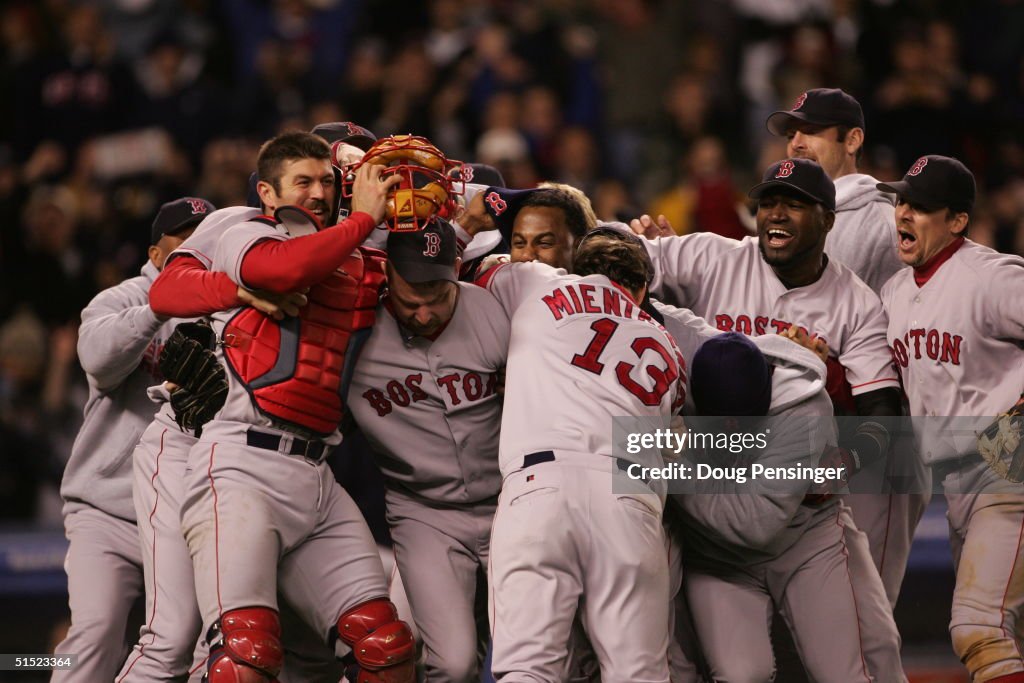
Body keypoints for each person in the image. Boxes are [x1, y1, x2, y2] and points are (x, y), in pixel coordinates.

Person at [176, 131, 416, 683]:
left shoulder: (360, 254)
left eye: (327, 181)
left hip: (317, 472)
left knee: (387, 650)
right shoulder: (246, 228)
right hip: (235, 458)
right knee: (235, 655)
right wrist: (360, 220)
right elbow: (268, 271)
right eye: (306, 179)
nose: (319, 191)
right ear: (268, 190)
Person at [484, 232, 686, 681]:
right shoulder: (666, 344)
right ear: (641, 290)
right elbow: (675, 444)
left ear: (578, 269)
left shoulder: (541, 284)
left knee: (527, 670)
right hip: (630, 497)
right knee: (639, 675)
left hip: (541, 485)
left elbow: (475, 266)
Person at [671, 332, 905, 682]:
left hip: (806, 542)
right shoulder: (676, 381)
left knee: (852, 668)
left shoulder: (802, 408)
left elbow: (753, 523)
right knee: (741, 675)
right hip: (718, 558)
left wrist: (673, 470)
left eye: (744, 419)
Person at [768, 90, 926, 604]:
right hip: (817, 434)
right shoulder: (794, 220)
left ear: (853, 139)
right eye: (792, 131)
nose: (796, 141)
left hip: (879, 431)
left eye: (810, 130)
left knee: (865, 616)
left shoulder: (883, 218)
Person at [53, 197, 214, 683]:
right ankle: (22, 662)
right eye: (182, 241)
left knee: (203, 640)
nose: (195, 250)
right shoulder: (120, 299)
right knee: (95, 636)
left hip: (189, 512)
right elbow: (97, 360)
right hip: (110, 511)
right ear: (156, 254)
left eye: (205, 241)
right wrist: (159, 306)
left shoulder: (232, 309)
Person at [878, 155, 1024, 683]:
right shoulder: (894, 292)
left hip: (1008, 466)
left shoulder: (991, 277)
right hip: (961, 483)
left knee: (978, 628)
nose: (904, 214)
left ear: (957, 220)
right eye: (902, 202)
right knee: (1008, 638)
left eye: (921, 207)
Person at [346, 218, 510, 682]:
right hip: (424, 513)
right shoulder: (356, 332)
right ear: (386, 276)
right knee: (453, 664)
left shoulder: (498, 310)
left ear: (457, 267)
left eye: (438, 297)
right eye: (409, 300)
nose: (423, 313)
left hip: (509, 504)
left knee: (522, 657)